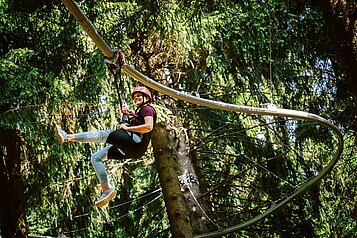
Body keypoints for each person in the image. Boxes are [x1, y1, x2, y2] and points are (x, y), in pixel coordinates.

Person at [54, 86, 156, 208]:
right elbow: (141, 124)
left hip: (135, 142)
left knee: (104, 135)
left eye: (139, 96)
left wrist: (127, 128)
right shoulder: (140, 113)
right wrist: (128, 113)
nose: (136, 98)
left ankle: (68, 137)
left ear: (146, 98)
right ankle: (106, 189)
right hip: (133, 149)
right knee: (96, 158)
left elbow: (149, 126)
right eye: (134, 97)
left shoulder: (147, 109)